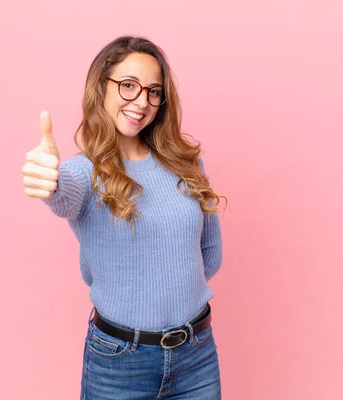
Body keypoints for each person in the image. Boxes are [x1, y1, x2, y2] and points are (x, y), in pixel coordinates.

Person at [22, 36, 226, 399]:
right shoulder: (84, 173)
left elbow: (208, 254)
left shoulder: (186, 164)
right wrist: (49, 180)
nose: (141, 102)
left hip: (196, 355)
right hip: (120, 362)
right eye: (128, 85)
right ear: (101, 87)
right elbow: (62, 193)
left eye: (153, 91)